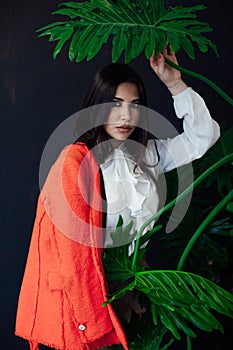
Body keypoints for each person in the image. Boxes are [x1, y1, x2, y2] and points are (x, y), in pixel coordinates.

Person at [15, 46, 220, 350]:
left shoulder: (149, 155)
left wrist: (174, 83)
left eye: (135, 105)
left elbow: (203, 138)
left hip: (137, 286)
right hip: (90, 294)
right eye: (116, 104)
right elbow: (67, 251)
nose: (126, 115)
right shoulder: (77, 162)